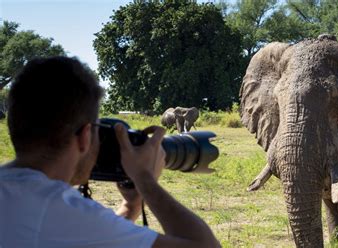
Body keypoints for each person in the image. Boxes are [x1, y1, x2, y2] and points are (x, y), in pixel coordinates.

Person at [0, 56, 220, 248]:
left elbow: (92, 240)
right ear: (85, 137)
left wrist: (131, 205)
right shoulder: (56, 211)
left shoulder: (22, 200)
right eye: (99, 131)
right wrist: (145, 180)